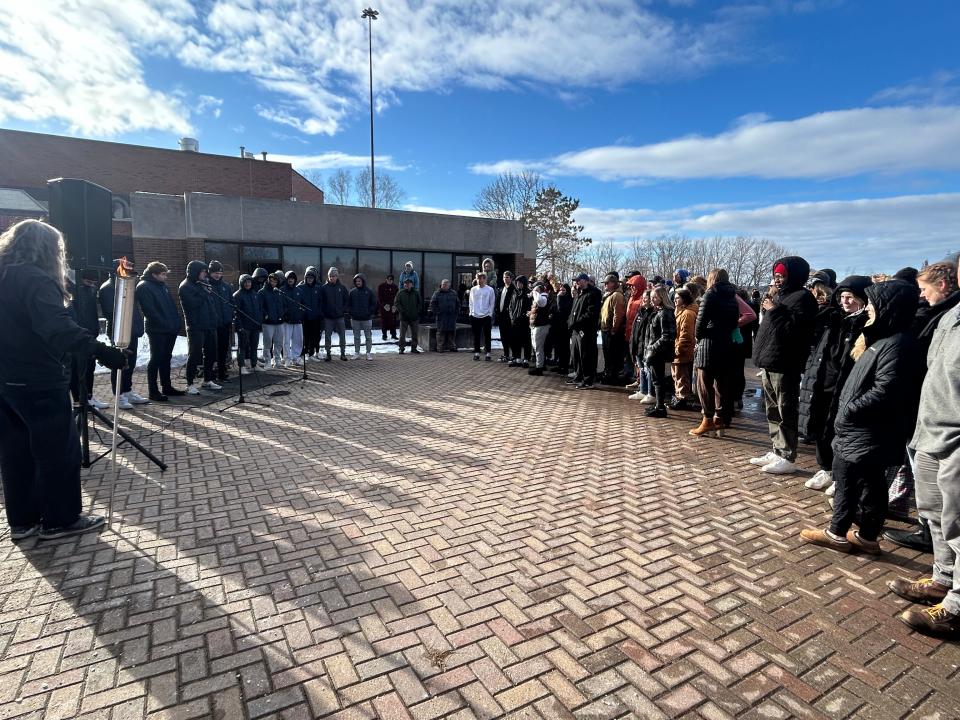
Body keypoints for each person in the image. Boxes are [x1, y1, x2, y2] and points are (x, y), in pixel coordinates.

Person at [0, 220, 126, 541]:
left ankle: (23, 521)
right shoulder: (34, 279)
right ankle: (61, 519)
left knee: (17, 454)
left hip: (7, 380)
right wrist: (99, 350)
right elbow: (56, 328)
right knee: (57, 452)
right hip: (38, 380)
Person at [800, 280, 919, 555]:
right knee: (868, 482)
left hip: (866, 428)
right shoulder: (884, 339)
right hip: (866, 428)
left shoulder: (896, 344)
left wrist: (850, 410)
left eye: (873, 306)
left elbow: (885, 389)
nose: (869, 311)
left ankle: (837, 533)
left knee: (849, 479)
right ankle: (866, 535)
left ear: (888, 309)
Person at [889, 294, 960, 636]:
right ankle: (942, 581)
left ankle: (956, 608)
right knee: (932, 514)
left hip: (956, 440)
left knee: (957, 523)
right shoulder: (950, 315)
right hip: (930, 431)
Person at [884, 261, 959, 550]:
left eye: (924, 289)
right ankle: (939, 564)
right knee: (931, 498)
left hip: (944, 423)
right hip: (928, 412)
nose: (921, 296)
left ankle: (936, 548)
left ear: (941, 285)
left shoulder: (936, 315)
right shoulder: (943, 316)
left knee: (948, 504)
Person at [802, 276, 872, 491]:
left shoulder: (868, 324)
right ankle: (826, 468)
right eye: (842, 297)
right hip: (824, 381)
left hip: (847, 385)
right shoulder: (834, 319)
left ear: (862, 298)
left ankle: (842, 476)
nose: (845, 302)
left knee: (840, 431)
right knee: (822, 427)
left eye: (850, 297)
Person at [750, 257, 818, 473]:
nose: (777, 280)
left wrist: (774, 310)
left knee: (785, 410)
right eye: (775, 276)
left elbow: (794, 331)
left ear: (794, 276)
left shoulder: (803, 298)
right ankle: (776, 448)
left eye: (782, 276)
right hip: (770, 361)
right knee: (772, 410)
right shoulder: (781, 296)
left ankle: (787, 455)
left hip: (785, 363)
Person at [690, 269, 739, 437]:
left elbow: (700, 322)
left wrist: (698, 338)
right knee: (721, 385)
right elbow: (734, 322)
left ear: (712, 279)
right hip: (726, 344)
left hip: (709, 344)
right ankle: (720, 418)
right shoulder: (732, 297)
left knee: (704, 384)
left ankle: (707, 419)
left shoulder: (709, 295)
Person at [99, 272, 149, 410]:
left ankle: (127, 390)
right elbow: (111, 312)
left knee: (130, 363)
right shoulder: (108, 288)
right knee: (119, 363)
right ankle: (119, 395)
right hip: (119, 331)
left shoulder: (129, 286)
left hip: (132, 329)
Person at [136, 261, 184, 401]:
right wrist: (164, 323)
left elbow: (171, 306)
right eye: (163, 274)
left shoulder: (163, 286)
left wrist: (175, 322)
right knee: (156, 359)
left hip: (170, 328)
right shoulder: (144, 287)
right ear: (154, 274)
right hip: (157, 329)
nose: (165, 277)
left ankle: (167, 386)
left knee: (166, 358)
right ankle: (153, 391)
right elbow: (149, 310)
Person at [179, 261, 221, 394]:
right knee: (195, 355)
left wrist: (214, 318)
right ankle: (190, 383)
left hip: (209, 324)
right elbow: (193, 304)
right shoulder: (185, 286)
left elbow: (210, 304)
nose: (205, 274)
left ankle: (208, 380)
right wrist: (204, 292)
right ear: (195, 272)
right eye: (203, 271)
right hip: (196, 326)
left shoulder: (203, 284)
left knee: (210, 353)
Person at [69, 269, 105, 408]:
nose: (90, 284)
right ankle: (78, 399)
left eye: (92, 282)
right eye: (87, 281)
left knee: (90, 367)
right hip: (78, 337)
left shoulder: (91, 290)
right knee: (76, 369)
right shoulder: (72, 290)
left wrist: (95, 330)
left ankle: (89, 396)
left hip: (90, 334)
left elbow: (92, 312)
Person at [643, 286, 676, 417]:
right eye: (651, 297)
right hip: (655, 350)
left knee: (658, 380)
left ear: (662, 297)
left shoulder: (665, 313)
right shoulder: (658, 311)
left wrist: (652, 348)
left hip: (658, 352)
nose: (652, 300)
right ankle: (658, 405)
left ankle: (660, 407)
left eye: (655, 297)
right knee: (656, 379)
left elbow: (667, 336)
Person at [567, 272, 602, 389]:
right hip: (576, 330)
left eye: (579, 280)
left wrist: (577, 322)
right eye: (575, 281)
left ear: (586, 281)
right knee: (576, 354)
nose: (576, 282)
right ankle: (579, 375)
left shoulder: (594, 293)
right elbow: (574, 311)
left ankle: (588, 380)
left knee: (586, 355)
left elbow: (591, 313)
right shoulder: (579, 293)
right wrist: (570, 322)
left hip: (586, 330)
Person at [205, 261, 234, 382]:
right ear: (210, 273)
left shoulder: (226, 287)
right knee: (211, 351)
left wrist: (230, 317)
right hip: (212, 324)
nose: (218, 275)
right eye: (215, 273)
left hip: (225, 323)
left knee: (223, 349)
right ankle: (210, 375)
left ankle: (222, 373)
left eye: (220, 273)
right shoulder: (206, 286)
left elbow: (231, 303)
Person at [671, 288, 697, 410]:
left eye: (678, 298)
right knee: (677, 375)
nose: (675, 300)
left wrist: (679, 349)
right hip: (677, 348)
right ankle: (678, 397)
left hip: (683, 351)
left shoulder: (688, 314)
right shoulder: (681, 312)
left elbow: (686, 334)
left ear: (684, 299)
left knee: (682, 376)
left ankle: (683, 399)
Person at [599, 273, 626, 385]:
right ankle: (608, 374)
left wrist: (614, 329)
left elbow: (618, 314)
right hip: (606, 330)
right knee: (608, 355)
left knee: (613, 355)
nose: (605, 285)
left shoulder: (617, 296)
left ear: (614, 283)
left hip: (612, 331)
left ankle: (612, 376)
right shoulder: (610, 295)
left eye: (607, 283)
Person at [232, 274, 261, 375]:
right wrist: (239, 326)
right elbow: (235, 314)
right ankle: (242, 366)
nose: (248, 284)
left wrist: (259, 321)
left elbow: (259, 309)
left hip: (255, 326)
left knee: (254, 346)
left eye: (249, 282)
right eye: (246, 282)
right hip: (244, 326)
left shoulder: (255, 294)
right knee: (242, 347)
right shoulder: (237, 295)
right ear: (242, 283)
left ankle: (254, 364)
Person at [321, 267, 350, 361]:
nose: (331, 278)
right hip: (328, 317)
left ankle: (343, 354)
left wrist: (342, 310)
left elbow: (347, 300)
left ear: (337, 276)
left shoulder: (342, 288)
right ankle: (328, 354)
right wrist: (324, 311)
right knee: (327, 336)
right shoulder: (324, 288)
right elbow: (321, 301)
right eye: (330, 276)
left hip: (339, 317)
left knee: (342, 335)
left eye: (333, 276)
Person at [349, 273, 378, 359]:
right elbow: (348, 304)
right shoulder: (352, 292)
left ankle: (368, 353)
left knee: (368, 337)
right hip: (355, 319)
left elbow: (374, 304)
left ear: (363, 281)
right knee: (356, 337)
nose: (358, 282)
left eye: (359, 281)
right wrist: (351, 313)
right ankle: (357, 353)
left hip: (367, 319)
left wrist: (369, 312)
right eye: (356, 281)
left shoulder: (369, 292)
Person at [258, 272, 284, 368]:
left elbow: (283, 305)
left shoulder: (279, 292)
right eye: (271, 281)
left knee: (278, 343)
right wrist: (265, 315)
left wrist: (282, 314)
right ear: (268, 280)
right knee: (267, 343)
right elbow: (260, 307)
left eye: (275, 281)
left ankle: (277, 361)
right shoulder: (262, 292)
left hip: (279, 322)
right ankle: (268, 361)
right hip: (268, 323)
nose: (273, 283)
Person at [528, 281, 554, 375]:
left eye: (534, 288)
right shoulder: (539, 297)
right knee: (536, 347)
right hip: (536, 325)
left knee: (539, 347)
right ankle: (540, 364)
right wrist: (531, 313)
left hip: (541, 326)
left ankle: (539, 367)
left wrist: (535, 291)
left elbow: (541, 303)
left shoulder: (543, 297)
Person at [279, 271, 304, 366]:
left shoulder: (299, 291)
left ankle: (296, 357)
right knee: (286, 340)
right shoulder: (282, 290)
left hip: (297, 320)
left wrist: (300, 314)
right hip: (286, 321)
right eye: (289, 278)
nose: (291, 280)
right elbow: (280, 305)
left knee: (298, 340)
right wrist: (285, 315)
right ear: (286, 279)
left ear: (295, 280)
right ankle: (287, 358)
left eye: (292, 278)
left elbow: (303, 304)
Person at [468, 272, 495, 360]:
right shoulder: (473, 289)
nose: (480, 280)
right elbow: (471, 302)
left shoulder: (490, 290)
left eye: (482, 278)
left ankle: (488, 353)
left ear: (485, 279)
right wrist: (471, 313)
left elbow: (492, 302)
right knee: (476, 335)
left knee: (487, 335)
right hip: (475, 315)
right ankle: (476, 353)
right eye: (478, 278)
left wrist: (490, 314)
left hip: (486, 315)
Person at [299, 266, 324, 360]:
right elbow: (298, 301)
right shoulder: (300, 287)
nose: (310, 279)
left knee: (314, 336)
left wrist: (319, 312)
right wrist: (301, 311)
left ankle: (311, 354)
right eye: (308, 278)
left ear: (314, 279)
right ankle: (304, 353)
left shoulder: (318, 288)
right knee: (305, 336)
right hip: (305, 317)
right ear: (305, 278)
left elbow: (321, 301)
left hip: (315, 317)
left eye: (312, 278)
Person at [428, 279, 460, 353]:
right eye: (443, 284)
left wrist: (456, 312)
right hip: (441, 316)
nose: (444, 286)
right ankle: (440, 348)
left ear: (449, 285)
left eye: (446, 284)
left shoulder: (453, 293)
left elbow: (458, 304)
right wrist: (438, 312)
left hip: (452, 317)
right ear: (441, 285)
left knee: (452, 332)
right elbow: (432, 304)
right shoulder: (437, 293)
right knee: (440, 332)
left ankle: (452, 347)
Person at [508, 275, 532, 367]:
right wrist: (512, 317)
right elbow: (511, 306)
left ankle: (526, 359)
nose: (518, 284)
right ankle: (517, 358)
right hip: (514, 321)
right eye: (517, 282)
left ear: (524, 283)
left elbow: (529, 307)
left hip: (524, 321)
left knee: (526, 340)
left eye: (520, 282)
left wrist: (523, 316)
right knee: (515, 340)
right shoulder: (514, 293)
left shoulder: (528, 293)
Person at [549, 282, 572, 375]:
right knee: (558, 347)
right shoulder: (560, 298)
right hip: (557, 327)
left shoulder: (568, 300)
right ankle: (560, 364)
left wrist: (559, 297)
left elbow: (562, 309)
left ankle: (564, 367)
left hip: (564, 328)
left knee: (564, 348)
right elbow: (554, 308)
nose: (561, 291)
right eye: (561, 290)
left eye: (563, 290)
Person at [395, 277, 423, 353]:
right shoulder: (400, 293)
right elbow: (397, 303)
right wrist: (402, 311)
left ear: (412, 285)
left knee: (414, 334)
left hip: (414, 317)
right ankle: (401, 348)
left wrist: (417, 311)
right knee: (402, 335)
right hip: (404, 317)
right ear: (404, 285)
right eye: (405, 284)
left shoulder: (416, 293)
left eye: (409, 284)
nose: (407, 285)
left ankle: (414, 348)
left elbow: (420, 303)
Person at [497, 271, 516, 362]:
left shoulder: (513, 289)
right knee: (503, 336)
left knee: (511, 337)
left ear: (511, 278)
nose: (505, 279)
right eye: (504, 277)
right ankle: (506, 354)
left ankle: (514, 355)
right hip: (501, 316)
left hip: (509, 317)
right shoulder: (501, 289)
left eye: (507, 277)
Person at [377, 274, 399, 341]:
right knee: (384, 322)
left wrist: (395, 306)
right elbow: (379, 297)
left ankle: (394, 335)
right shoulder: (381, 286)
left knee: (393, 321)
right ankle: (384, 335)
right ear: (386, 279)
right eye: (388, 279)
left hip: (392, 307)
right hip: (384, 307)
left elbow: (397, 297)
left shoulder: (395, 287)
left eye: (391, 280)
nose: (389, 281)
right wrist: (384, 305)